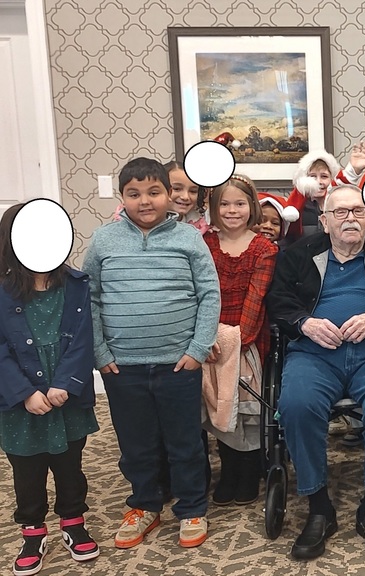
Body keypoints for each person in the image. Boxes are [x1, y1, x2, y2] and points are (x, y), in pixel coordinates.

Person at [267, 184, 365, 560]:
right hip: (315, 352)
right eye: (340, 212)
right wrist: (305, 323)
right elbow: (278, 299)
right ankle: (319, 507)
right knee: (296, 404)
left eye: (357, 211)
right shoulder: (298, 253)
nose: (350, 218)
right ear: (324, 221)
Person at [83, 157, 220, 548]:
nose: (144, 201)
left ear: (169, 194)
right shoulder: (104, 240)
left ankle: (191, 507)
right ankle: (144, 505)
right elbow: (89, 298)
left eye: (154, 192)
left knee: (184, 442)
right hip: (122, 366)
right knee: (136, 444)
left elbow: (209, 294)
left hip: (178, 364)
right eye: (134, 194)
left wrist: (198, 348)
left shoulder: (189, 239)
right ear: (122, 197)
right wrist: (100, 352)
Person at [0, 204, 100, 575]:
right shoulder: (3, 290)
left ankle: (73, 522)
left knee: (70, 465)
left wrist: (66, 383)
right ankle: (32, 532)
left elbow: (84, 339)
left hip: (66, 397)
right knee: (27, 470)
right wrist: (25, 392)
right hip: (19, 401)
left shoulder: (75, 284)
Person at [202, 175, 278, 506]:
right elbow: (200, 293)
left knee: (245, 407)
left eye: (239, 203)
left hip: (247, 340)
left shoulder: (264, 249)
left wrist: (236, 340)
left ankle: (247, 472)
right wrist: (206, 337)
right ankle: (228, 470)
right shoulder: (205, 244)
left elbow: (256, 299)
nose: (232, 210)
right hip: (208, 339)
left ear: (252, 207)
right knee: (216, 403)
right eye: (224, 204)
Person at [281, 142, 365, 242]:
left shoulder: (343, 206)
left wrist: (354, 169)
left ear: (331, 179)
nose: (319, 182)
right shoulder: (296, 209)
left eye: (324, 176)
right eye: (313, 176)